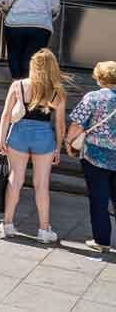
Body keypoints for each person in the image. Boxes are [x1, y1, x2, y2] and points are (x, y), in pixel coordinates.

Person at [0, 48, 65, 244]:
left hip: (18, 135)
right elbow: (59, 125)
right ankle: (44, 230)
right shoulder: (57, 92)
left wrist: (1, 139)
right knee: (41, 185)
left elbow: (6, 115)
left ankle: (7, 224)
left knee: (15, 179)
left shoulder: (18, 85)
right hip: (44, 137)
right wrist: (58, 148)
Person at [67, 61, 116, 253]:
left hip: (95, 155)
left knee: (99, 199)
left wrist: (69, 144)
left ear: (100, 78)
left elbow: (77, 124)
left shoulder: (92, 98)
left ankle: (102, 240)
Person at [0, 0, 60, 80]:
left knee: (14, 53)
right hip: (40, 26)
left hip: (14, 25)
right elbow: (56, 8)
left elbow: (2, 4)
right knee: (34, 56)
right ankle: (30, 82)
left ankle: (17, 81)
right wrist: (47, 18)